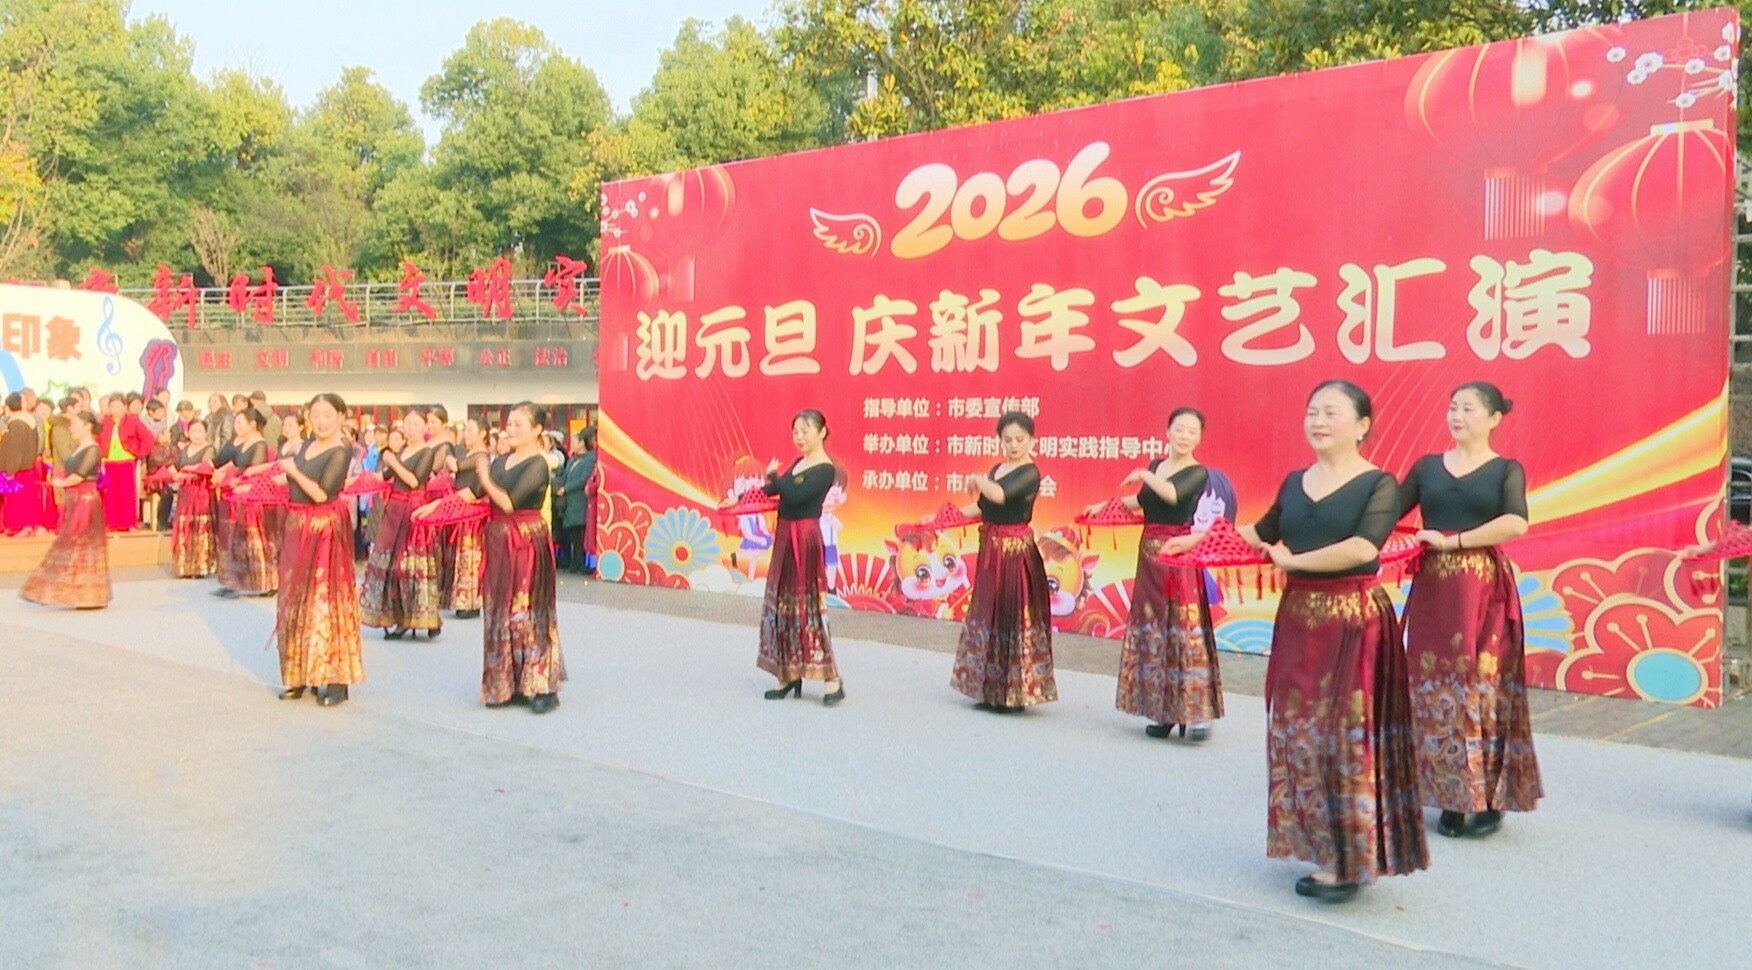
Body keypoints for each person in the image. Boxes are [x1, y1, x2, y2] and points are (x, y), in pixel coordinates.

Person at [1181, 380, 1425, 901]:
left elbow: (1364, 548)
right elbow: (1261, 532)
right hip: (1298, 620)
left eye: (1331, 412)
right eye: (1312, 410)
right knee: (1296, 732)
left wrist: (1294, 561)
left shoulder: (1378, 484)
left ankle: (1349, 857)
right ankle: (1318, 842)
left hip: (1353, 620)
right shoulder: (1296, 481)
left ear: (1361, 426)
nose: (1317, 420)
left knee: (1344, 738)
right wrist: (1199, 537)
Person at [1399, 382, 1541, 839]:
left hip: (1482, 590)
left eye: (1469, 408)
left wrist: (1454, 540)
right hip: (1435, 590)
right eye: (1452, 406)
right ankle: (1448, 795)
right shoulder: (1426, 468)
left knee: (1478, 687)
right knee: (1432, 686)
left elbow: (1515, 521)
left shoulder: (1505, 470)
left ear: (1494, 418)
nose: (1457, 415)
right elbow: (1387, 515)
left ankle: (1484, 798)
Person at [1088, 407, 1221, 741]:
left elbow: (1172, 495)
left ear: (1199, 437)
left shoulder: (1197, 472)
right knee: (1154, 630)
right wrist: (1106, 506)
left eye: (1192, 431)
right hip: (1149, 555)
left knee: (1183, 630)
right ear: (1168, 431)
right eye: (1179, 429)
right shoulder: (1156, 467)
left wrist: (1145, 475)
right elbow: (1143, 500)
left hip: (1178, 555)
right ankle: (1162, 712)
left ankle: (1195, 712)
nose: (1185, 435)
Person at [453, 403, 564, 712]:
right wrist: (435, 509)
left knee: (528, 612)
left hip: (526, 542)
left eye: (518, 424)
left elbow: (508, 501)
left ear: (537, 429)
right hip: (499, 542)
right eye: (509, 423)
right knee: (500, 611)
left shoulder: (537, 464)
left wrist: (485, 475)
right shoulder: (502, 460)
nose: (511, 429)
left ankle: (541, 686)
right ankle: (506, 683)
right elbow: (474, 493)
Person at [947, 411, 1056, 712]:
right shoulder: (997, 468)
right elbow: (982, 506)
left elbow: (999, 496)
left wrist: (978, 480)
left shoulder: (1030, 473)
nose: (1013, 445)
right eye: (1007, 440)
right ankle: (991, 689)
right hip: (991, 550)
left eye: (1020, 439)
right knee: (990, 617)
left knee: (1013, 618)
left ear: (1032, 440)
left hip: (1015, 553)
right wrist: (946, 518)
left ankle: (1014, 694)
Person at [272, 393, 365, 707]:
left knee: (324, 601)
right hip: (296, 526)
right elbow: (293, 484)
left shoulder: (341, 450)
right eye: (316, 414)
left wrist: (293, 471)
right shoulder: (307, 445)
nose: (321, 421)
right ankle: (299, 674)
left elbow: (322, 494)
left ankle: (336, 678)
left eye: (328, 415)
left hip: (324, 528)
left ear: (341, 416)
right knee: (293, 597)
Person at [757, 410, 845, 704]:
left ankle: (832, 680)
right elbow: (776, 491)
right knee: (783, 606)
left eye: (806, 430)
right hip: (784, 538)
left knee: (808, 610)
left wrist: (773, 475)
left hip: (804, 540)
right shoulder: (798, 463)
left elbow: (793, 496)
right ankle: (788, 675)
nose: (799, 436)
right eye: (795, 431)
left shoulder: (824, 469)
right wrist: (745, 497)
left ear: (822, 432)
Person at [360, 409, 442, 639]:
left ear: (425, 428)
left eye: (417, 424)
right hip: (394, 509)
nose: (411, 428)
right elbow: (384, 476)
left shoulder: (426, 452)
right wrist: (356, 482)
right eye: (408, 423)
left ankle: (418, 617)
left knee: (409, 566)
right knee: (387, 564)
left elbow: (415, 480)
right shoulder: (403, 451)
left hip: (413, 510)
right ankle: (397, 615)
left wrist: (393, 461)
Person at [19, 409, 109, 609]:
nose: (72, 427)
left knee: (77, 542)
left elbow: (80, 475)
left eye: (75, 424)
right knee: (73, 543)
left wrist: (58, 483)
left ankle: (87, 594)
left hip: (85, 501)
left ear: (87, 426)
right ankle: (76, 593)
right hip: (74, 499)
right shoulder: (79, 447)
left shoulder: (93, 448)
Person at [214, 408, 279, 598]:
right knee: (237, 540)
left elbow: (255, 471)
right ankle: (235, 582)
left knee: (254, 540)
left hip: (252, 498)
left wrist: (238, 481)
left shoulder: (259, 444)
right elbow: (235, 465)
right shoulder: (242, 443)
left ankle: (265, 582)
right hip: (239, 495)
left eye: (241, 422)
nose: (237, 426)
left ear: (252, 424)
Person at [433, 417, 490, 619]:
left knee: (470, 556)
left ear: (482, 434)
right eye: (465, 430)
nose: (466, 433)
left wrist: (450, 459)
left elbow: (456, 466)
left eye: (471, 430)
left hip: (473, 510)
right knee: (458, 554)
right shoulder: (468, 453)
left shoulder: (481, 456)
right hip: (460, 506)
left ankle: (471, 601)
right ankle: (459, 599)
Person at [169, 420, 218, 579]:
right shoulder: (184, 450)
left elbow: (205, 468)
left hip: (200, 492)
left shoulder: (209, 449)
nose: (196, 435)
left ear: (205, 433)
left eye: (199, 431)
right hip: (185, 492)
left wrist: (186, 472)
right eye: (193, 431)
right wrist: (174, 474)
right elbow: (173, 466)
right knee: (185, 526)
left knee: (199, 527)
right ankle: (184, 566)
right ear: (188, 433)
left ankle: (200, 566)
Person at [97, 393, 153, 531]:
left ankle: (129, 523)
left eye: (118, 406)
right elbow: (96, 440)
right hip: (108, 461)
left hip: (127, 461)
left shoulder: (132, 421)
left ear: (124, 407)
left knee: (127, 494)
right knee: (110, 494)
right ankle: (111, 523)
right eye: (112, 406)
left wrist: (138, 451)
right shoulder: (103, 423)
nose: (116, 409)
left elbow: (148, 438)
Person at [1, 392, 44, 536]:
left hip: (18, 469)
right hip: (25, 467)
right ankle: (24, 526)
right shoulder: (28, 421)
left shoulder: (17, 423)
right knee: (25, 497)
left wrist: (10, 470)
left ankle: (24, 526)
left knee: (20, 499)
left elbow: (15, 450)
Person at [144, 426, 179, 532]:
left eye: (170, 435)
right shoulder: (153, 448)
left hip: (172, 477)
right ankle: (162, 521)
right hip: (156, 479)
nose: (168, 437)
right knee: (166, 492)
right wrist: (170, 464)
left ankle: (174, 520)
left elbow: (178, 460)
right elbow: (157, 461)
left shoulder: (174, 448)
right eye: (165, 434)